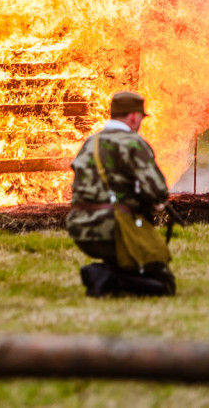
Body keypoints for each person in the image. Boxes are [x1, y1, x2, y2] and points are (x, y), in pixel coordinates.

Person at [66, 91, 175, 297]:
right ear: (134, 116)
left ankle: (109, 273)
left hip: (80, 227)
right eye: (140, 118)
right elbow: (158, 190)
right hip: (113, 227)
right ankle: (105, 276)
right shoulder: (132, 143)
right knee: (164, 283)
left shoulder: (91, 142)